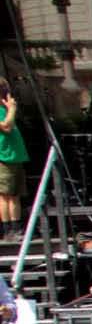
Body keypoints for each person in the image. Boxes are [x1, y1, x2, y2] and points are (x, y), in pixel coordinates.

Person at [0, 80, 24, 236]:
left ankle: (15, 227)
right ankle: (10, 230)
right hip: (4, 158)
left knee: (13, 196)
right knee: (6, 196)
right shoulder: (7, 110)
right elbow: (6, 127)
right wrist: (12, 109)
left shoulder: (4, 109)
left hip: (14, 157)